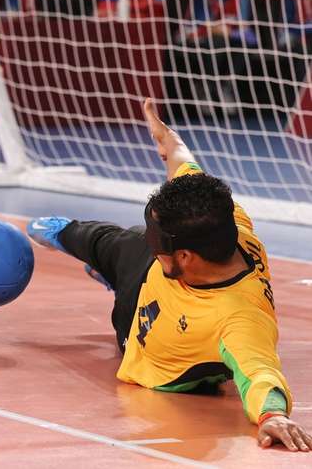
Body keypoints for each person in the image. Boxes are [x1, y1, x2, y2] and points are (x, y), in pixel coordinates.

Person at [27, 98, 312, 452]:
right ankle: (67, 235)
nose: (155, 242)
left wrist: (273, 415)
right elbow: (186, 169)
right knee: (118, 238)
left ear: (185, 255)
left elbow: (261, 372)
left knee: (129, 263)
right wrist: (168, 140)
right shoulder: (222, 220)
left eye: (158, 241)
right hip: (159, 273)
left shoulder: (239, 318)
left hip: (140, 335)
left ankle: (114, 281)